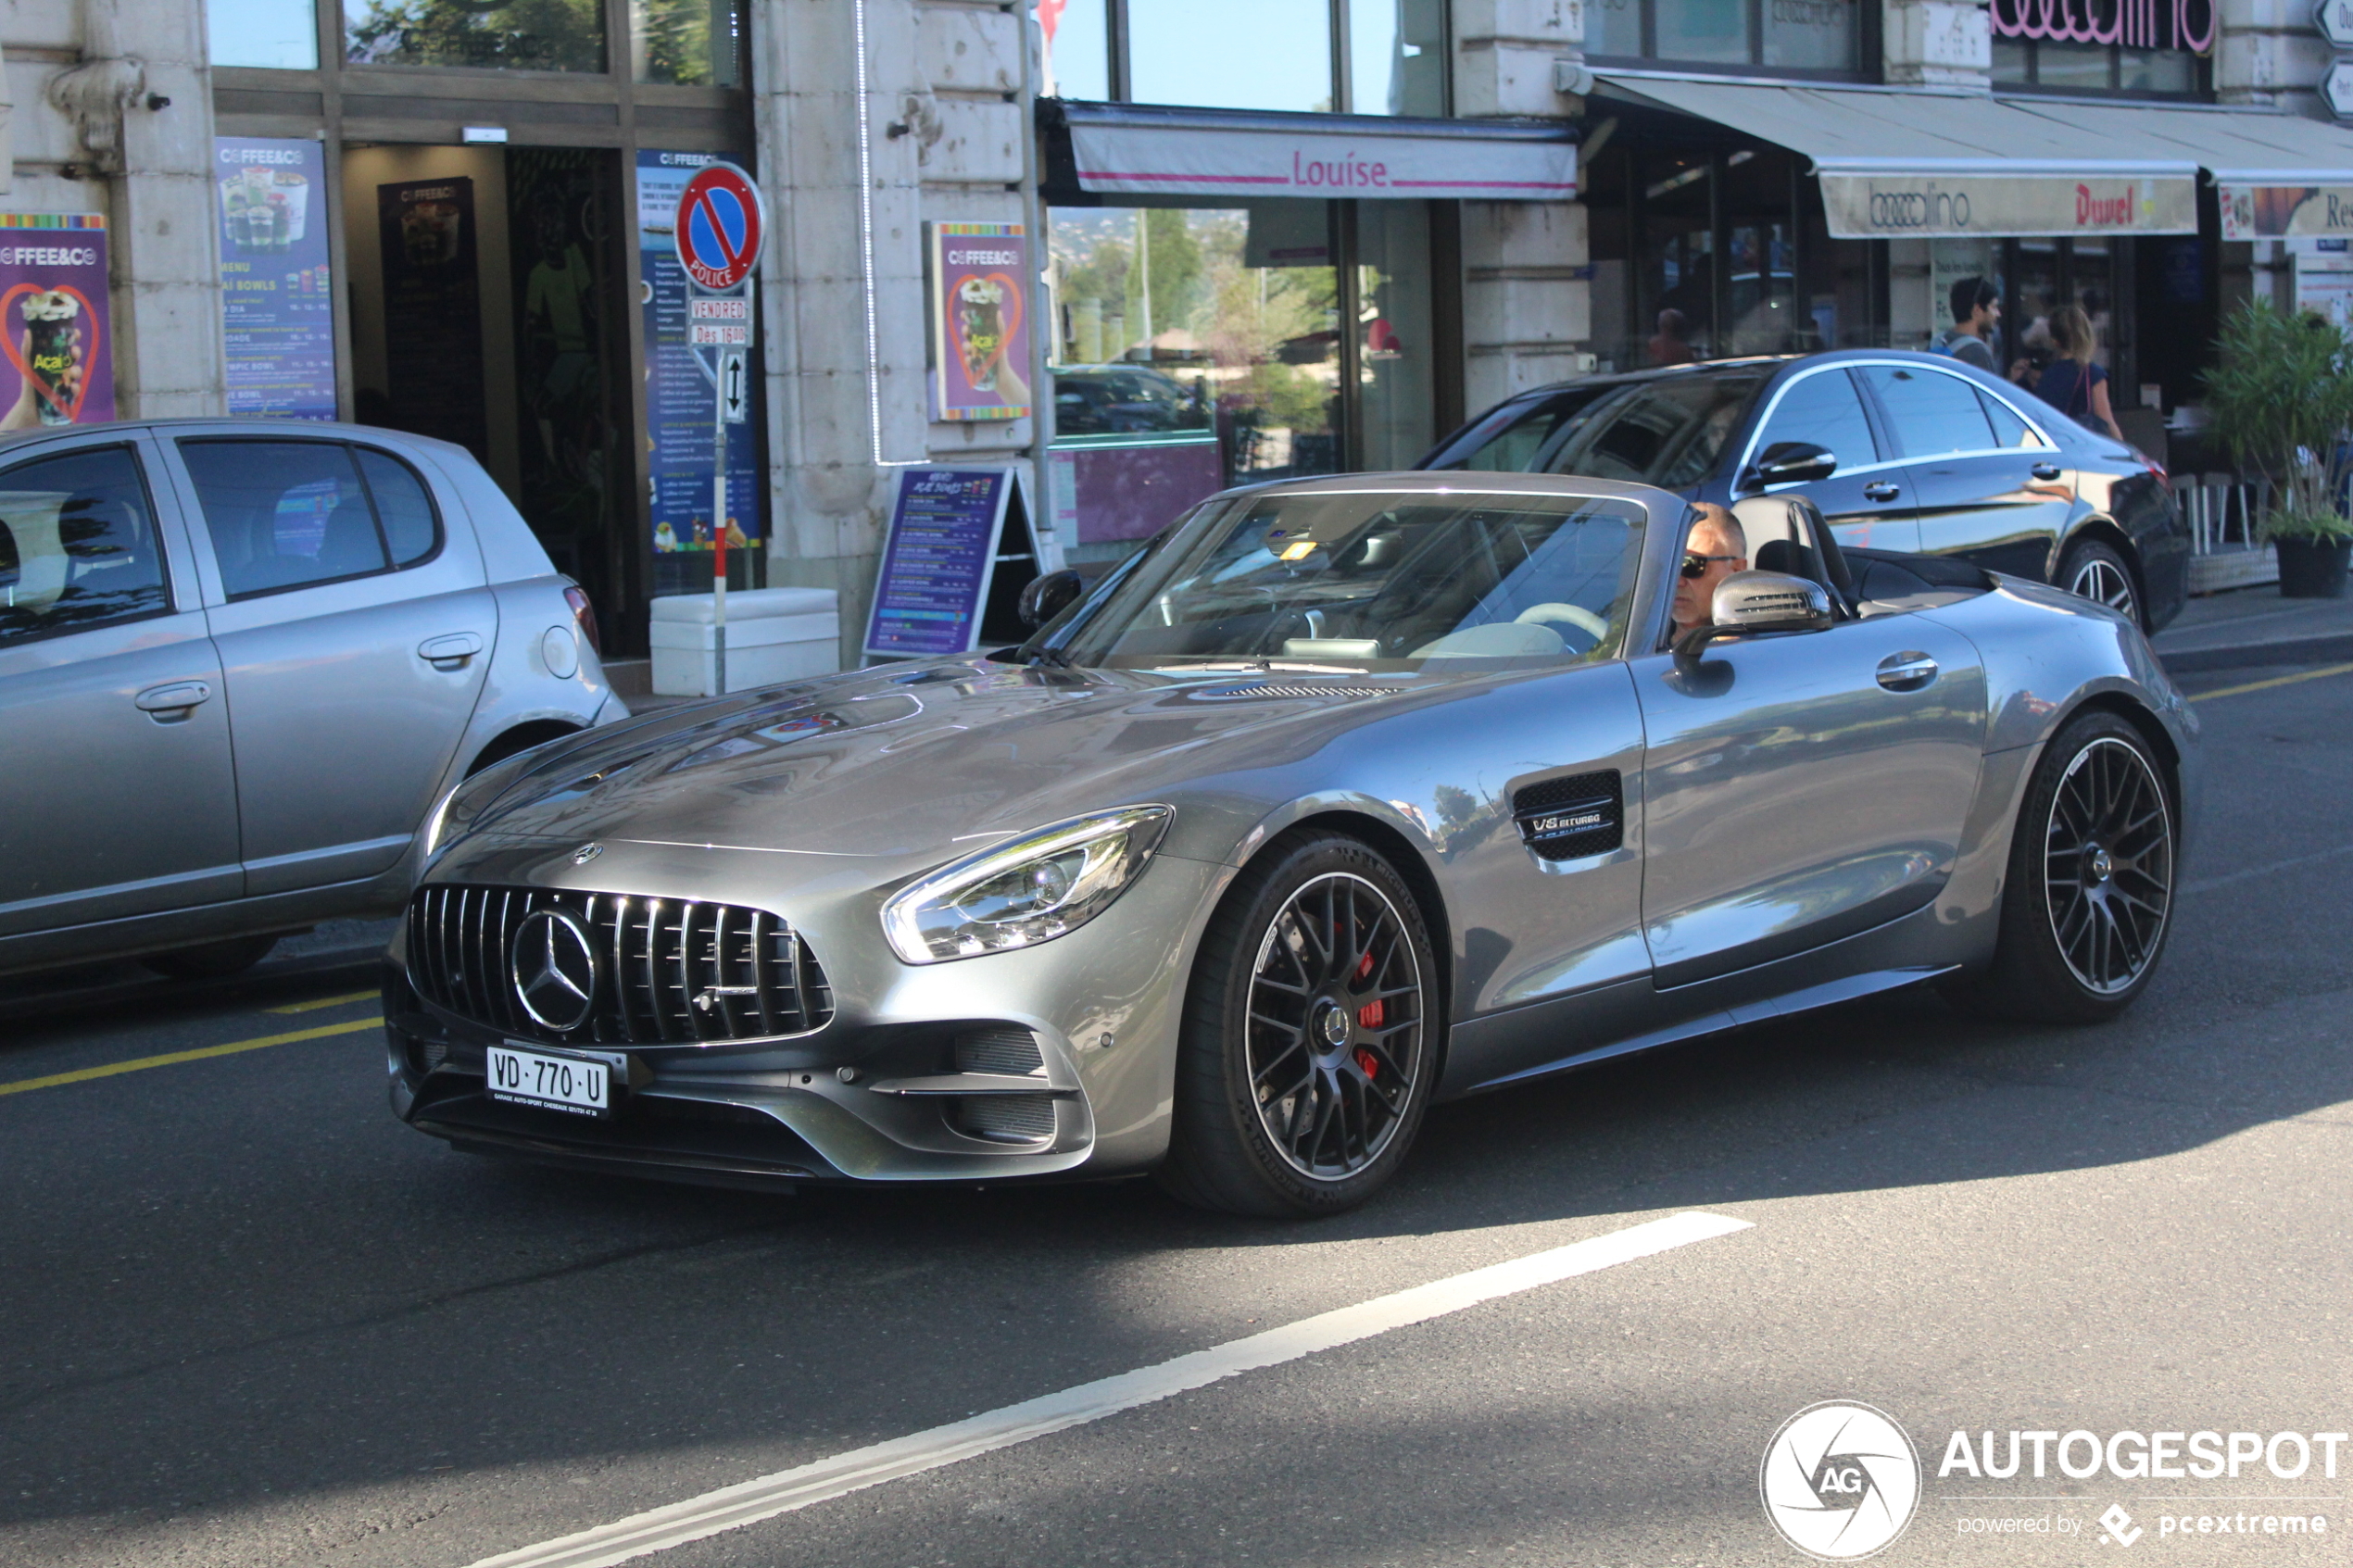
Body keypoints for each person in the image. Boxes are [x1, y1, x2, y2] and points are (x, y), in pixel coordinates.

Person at [2033, 304, 2125, 441]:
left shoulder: (2046, 374)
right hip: (2081, 447)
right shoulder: (2093, 374)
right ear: (2087, 335)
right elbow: (2106, 421)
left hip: (2055, 445)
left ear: (2055, 341)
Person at [1672, 503, 1748, 635]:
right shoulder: (1635, 638)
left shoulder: (1754, 650)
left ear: (1737, 569)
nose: (1677, 581)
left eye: (1691, 565)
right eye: (1669, 566)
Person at [1932, 277, 2001, 372]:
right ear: (1977, 310)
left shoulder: (1935, 343)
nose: (1998, 314)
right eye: (1994, 307)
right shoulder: (1978, 352)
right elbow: (1988, 387)